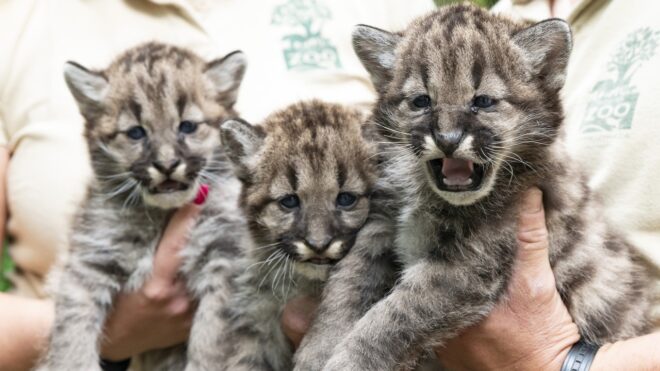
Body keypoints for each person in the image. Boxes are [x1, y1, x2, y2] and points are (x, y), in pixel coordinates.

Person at [0, 0, 436, 370]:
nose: (169, 159)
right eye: (135, 134)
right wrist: (116, 333)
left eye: (190, 128)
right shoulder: (21, 18)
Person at [281, 0, 660, 369]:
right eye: (419, 101)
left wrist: (566, 363)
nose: (446, 133)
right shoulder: (496, 24)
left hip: (606, 339)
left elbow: (456, 279)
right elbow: (377, 241)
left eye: (482, 101)